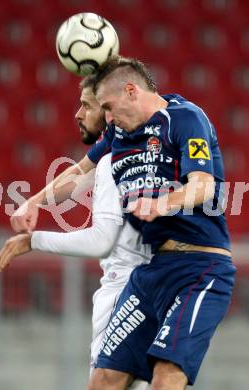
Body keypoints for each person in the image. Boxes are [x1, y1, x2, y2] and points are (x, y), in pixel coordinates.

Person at [82, 56, 236, 390]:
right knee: (103, 380)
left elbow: (204, 186)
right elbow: (79, 171)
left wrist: (162, 203)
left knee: (166, 378)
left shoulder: (186, 118)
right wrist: (35, 202)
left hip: (201, 267)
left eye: (108, 107)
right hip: (153, 270)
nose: (107, 118)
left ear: (131, 90)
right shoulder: (122, 134)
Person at [0, 76, 152, 389]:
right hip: (151, 287)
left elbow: (101, 240)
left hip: (124, 291)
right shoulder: (137, 153)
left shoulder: (114, 161)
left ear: (108, 112)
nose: (78, 114)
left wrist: (34, 240)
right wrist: (34, 203)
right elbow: (76, 177)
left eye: (87, 105)